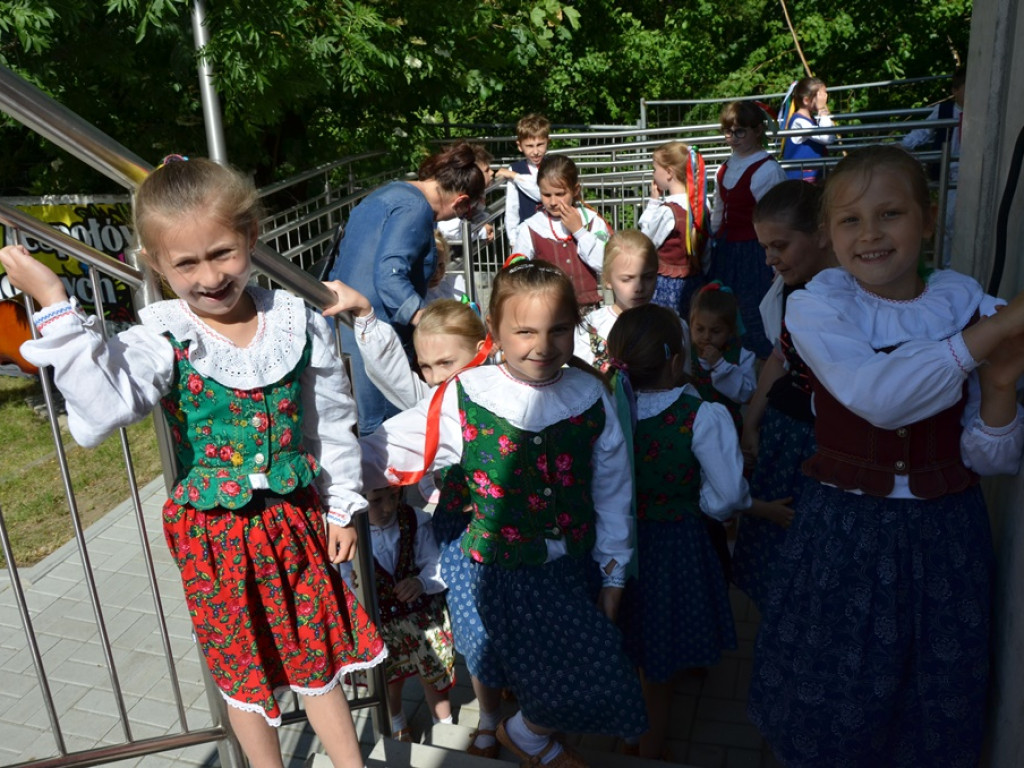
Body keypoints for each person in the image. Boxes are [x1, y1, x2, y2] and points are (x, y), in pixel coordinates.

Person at [0, 156, 387, 768]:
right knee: (244, 668)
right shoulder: (161, 336)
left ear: (251, 238)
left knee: (316, 655)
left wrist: (341, 503)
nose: (210, 276)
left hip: (294, 522)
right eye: (186, 262)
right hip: (217, 535)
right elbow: (100, 412)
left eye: (222, 253)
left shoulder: (294, 320)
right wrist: (53, 300)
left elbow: (330, 419)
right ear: (154, 263)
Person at [747, 145, 1024, 768]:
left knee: (928, 701)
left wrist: (1001, 383)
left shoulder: (962, 302)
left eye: (891, 214)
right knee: (834, 693)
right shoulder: (819, 305)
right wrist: (989, 338)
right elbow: (879, 398)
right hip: (847, 531)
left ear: (927, 220)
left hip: (945, 535)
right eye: (850, 220)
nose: (870, 234)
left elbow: (992, 456)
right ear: (828, 234)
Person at [360, 259, 648, 766]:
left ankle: (529, 734)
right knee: (580, 668)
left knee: (595, 668)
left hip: (573, 565)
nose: (543, 344)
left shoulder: (590, 396)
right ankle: (528, 736)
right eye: (525, 331)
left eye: (559, 329)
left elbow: (612, 492)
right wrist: (325, 468)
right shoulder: (468, 395)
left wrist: (613, 571)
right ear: (494, 333)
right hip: (504, 573)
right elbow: (390, 447)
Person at [607, 304, 749, 760]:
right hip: (674, 546)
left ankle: (627, 735)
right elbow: (728, 496)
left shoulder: (606, 409)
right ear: (674, 361)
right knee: (660, 662)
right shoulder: (700, 414)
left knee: (628, 641)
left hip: (616, 546)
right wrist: (699, 504)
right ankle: (650, 748)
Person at [327, 142, 486, 434]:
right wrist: (429, 324)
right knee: (384, 431)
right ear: (461, 201)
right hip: (372, 336)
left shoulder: (388, 193)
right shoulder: (416, 208)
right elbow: (390, 275)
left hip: (345, 330)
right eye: (464, 213)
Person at [732, 180, 835, 610]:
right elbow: (779, 357)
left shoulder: (848, 294)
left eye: (780, 245)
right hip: (786, 434)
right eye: (765, 247)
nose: (770, 258)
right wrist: (752, 423)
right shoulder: (792, 288)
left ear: (821, 234)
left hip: (823, 442)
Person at [341, 485, 455, 742]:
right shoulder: (349, 531)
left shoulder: (413, 520)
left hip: (420, 613)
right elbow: (344, 575)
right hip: (378, 617)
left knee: (434, 668)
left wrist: (422, 582)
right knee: (388, 674)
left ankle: (444, 724)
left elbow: (433, 560)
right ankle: (397, 721)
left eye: (395, 496)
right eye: (376, 500)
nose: (388, 507)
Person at [709, 101, 787, 358]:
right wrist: (709, 244)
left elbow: (777, 221)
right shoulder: (724, 168)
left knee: (755, 315)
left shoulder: (767, 170)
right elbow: (719, 212)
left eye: (740, 131)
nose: (733, 138)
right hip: (727, 252)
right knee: (726, 315)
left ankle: (764, 376)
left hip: (757, 254)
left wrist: (778, 263)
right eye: (728, 131)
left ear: (757, 131)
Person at [514, 154, 612, 311]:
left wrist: (579, 232)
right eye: (546, 195)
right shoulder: (531, 227)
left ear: (575, 190)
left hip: (588, 311)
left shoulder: (592, 221)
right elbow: (518, 272)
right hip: (549, 311)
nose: (552, 202)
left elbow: (605, 264)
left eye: (560, 194)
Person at [902, 66, 966, 267]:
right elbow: (922, 132)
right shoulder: (944, 111)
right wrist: (902, 146)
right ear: (955, 90)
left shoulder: (985, 113)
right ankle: (946, 265)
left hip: (973, 175)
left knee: (959, 223)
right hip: (948, 176)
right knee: (948, 222)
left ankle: (955, 264)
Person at [638, 141, 710, 317]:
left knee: (666, 328)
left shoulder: (667, 211)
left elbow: (646, 239)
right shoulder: (702, 205)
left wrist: (653, 202)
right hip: (696, 281)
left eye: (655, 169)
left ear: (669, 172)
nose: (653, 174)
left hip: (667, 286)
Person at [574, 229, 662, 370]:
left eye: (648, 277)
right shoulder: (590, 328)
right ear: (608, 279)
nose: (639, 287)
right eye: (627, 279)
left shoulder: (669, 324)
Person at [688, 282, 756, 433]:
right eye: (699, 329)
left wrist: (720, 365)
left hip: (726, 430)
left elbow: (747, 395)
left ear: (730, 331)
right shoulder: (685, 352)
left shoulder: (741, 356)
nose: (706, 337)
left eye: (715, 331)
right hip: (690, 427)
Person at [497, 113, 550, 245]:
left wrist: (515, 176)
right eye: (530, 146)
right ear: (520, 146)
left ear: (547, 142)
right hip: (527, 234)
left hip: (553, 233)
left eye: (540, 144)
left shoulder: (554, 165)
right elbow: (512, 207)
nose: (536, 151)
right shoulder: (516, 168)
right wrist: (513, 239)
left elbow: (541, 193)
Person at [781, 77, 837, 184]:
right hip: (801, 180)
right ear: (806, 100)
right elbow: (827, 138)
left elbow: (829, 135)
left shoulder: (811, 120)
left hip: (812, 177)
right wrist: (823, 112)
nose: (824, 98)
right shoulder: (799, 122)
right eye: (820, 95)